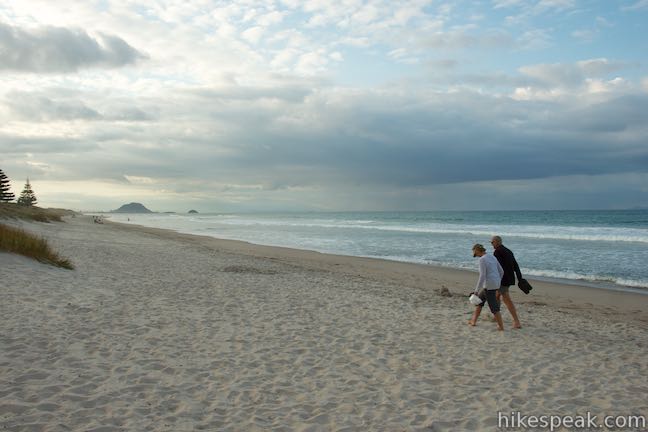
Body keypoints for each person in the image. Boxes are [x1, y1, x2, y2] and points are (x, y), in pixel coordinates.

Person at [468, 244, 504, 331]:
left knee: (494, 307)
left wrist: (476, 290)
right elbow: (501, 271)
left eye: (475, 253)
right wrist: (497, 281)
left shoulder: (482, 259)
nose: (476, 255)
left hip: (489, 285)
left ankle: (501, 326)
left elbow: (482, 276)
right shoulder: (492, 256)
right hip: (495, 283)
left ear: (477, 251)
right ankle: (473, 320)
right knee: (479, 302)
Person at [491, 235, 522, 329]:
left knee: (506, 299)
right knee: (497, 296)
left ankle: (516, 322)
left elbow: (498, 267)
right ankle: (496, 316)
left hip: (502, 279)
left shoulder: (497, 252)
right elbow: (516, 265)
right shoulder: (508, 251)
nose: (492, 244)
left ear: (497, 242)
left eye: (492, 242)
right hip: (509, 278)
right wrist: (519, 278)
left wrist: (495, 278)